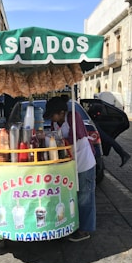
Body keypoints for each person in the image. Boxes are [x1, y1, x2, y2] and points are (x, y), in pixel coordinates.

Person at [44, 96, 96, 242]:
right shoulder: (55, 124)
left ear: (61, 112)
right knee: (73, 196)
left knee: (85, 197)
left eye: (53, 115)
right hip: (71, 165)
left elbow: (74, 138)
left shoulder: (74, 117)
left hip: (84, 162)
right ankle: (74, 225)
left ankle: (85, 230)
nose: (52, 119)